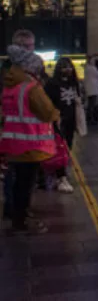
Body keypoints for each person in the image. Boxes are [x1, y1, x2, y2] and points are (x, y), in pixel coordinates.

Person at [0, 43, 59, 234]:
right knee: (26, 184)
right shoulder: (31, 88)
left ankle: (19, 216)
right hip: (30, 143)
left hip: (14, 142)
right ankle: (21, 220)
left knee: (18, 183)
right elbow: (47, 112)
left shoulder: (10, 86)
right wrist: (57, 114)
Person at [2, 29, 37, 222]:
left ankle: (19, 208)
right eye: (29, 46)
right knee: (15, 172)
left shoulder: (29, 68)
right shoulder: (11, 69)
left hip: (27, 128)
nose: (32, 49)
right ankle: (15, 210)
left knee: (23, 172)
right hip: (14, 128)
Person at [44, 57, 83, 194]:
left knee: (68, 146)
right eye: (64, 67)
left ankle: (60, 174)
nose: (68, 70)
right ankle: (61, 176)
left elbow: (77, 100)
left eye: (69, 67)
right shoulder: (52, 84)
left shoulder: (74, 83)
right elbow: (48, 102)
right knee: (59, 147)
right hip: (57, 120)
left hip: (71, 119)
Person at [84, 57, 98, 125]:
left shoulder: (87, 68)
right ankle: (91, 119)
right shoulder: (92, 68)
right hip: (93, 89)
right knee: (92, 105)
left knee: (91, 104)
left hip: (90, 89)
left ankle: (90, 118)